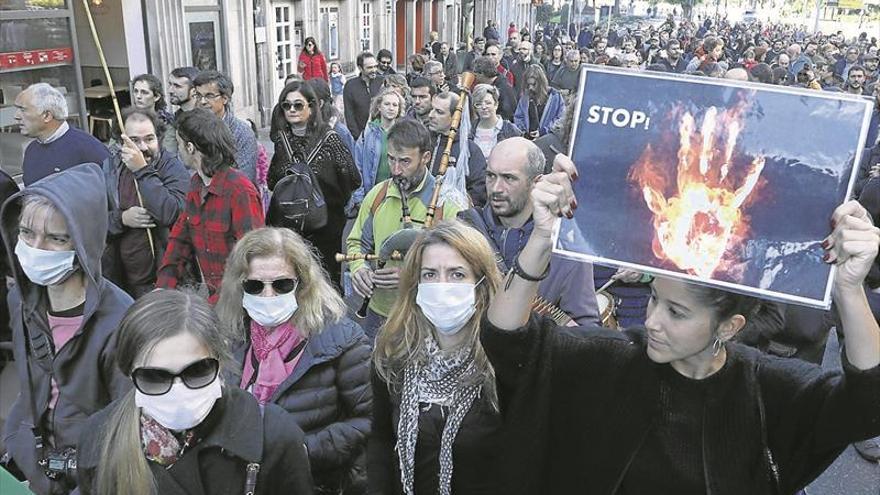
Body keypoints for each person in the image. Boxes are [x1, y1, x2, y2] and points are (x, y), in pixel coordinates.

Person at [482, 156, 880, 494]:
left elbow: (867, 402)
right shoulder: (611, 362)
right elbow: (508, 340)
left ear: (729, 326)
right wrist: (541, 237)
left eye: (677, 312)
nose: (651, 321)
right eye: (655, 298)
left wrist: (849, 288)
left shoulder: (765, 391)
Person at [75, 290, 315, 494]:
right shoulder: (99, 440)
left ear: (219, 363)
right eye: (155, 377)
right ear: (130, 374)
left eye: (197, 371)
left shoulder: (273, 435)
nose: (178, 390)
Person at [0, 164, 133, 494]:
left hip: (91, 473)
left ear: (84, 242)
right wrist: (14, 443)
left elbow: (124, 431)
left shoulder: (121, 320)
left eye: (56, 238)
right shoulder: (20, 299)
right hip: (37, 465)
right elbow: (31, 387)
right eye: (27, 234)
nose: (36, 249)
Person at [216, 227, 372, 494]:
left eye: (281, 284)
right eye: (255, 286)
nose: (268, 296)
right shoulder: (230, 336)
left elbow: (369, 419)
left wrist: (301, 450)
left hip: (314, 481)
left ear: (302, 284)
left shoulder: (342, 340)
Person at [368, 221, 504, 494]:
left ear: (481, 284)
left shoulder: (501, 363)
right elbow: (381, 441)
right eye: (430, 274)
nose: (442, 286)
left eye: (456, 275)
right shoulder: (395, 355)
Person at [458, 138, 598, 326]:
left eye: (509, 178)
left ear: (536, 182)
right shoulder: (464, 230)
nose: (496, 188)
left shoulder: (566, 247)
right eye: (491, 176)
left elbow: (586, 328)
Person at [347, 119, 462, 340]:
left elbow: (462, 265)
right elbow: (356, 243)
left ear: (426, 157)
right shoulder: (378, 195)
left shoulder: (446, 203)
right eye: (391, 159)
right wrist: (359, 268)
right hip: (379, 314)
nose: (396, 170)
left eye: (405, 161)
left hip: (425, 318)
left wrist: (414, 277)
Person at [156, 108, 264, 302]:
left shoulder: (240, 192)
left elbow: (253, 260)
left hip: (241, 305)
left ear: (190, 148)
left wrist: (217, 306)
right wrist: (162, 289)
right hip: (215, 301)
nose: (178, 151)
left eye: (179, 144)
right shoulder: (196, 185)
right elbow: (180, 241)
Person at [268, 81, 361, 292]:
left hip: (325, 228)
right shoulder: (281, 141)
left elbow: (353, 178)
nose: (291, 110)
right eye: (286, 105)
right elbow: (272, 180)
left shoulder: (331, 140)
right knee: (294, 283)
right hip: (290, 229)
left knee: (325, 285)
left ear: (312, 107)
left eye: (298, 105)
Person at [102, 107, 190, 298]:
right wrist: (122, 218)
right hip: (123, 281)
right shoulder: (110, 168)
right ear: (120, 142)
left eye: (149, 139)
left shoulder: (172, 166)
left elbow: (172, 213)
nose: (142, 147)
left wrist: (141, 170)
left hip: (166, 281)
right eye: (134, 140)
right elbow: (95, 224)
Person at [15, 83, 109, 186]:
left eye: (23, 110)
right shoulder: (31, 150)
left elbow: (113, 191)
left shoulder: (89, 149)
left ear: (47, 116)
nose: (16, 116)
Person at [192, 70, 258, 184]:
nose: (202, 101)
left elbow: (245, 179)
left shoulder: (242, 133)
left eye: (209, 96)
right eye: (198, 95)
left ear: (225, 98)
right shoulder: (190, 129)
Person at [352, 89, 407, 215]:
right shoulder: (367, 135)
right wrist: (359, 198)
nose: (391, 108)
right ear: (379, 107)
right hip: (371, 196)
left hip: (396, 197)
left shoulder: (404, 135)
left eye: (395, 105)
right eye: (387, 104)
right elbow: (357, 168)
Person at [428, 92, 488, 208]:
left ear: (456, 117)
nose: (431, 115)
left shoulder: (470, 151)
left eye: (439, 112)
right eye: (432, 109)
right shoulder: (423, 142)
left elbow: (478, 193)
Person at [469, 83, 522, 159]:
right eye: (478, 104)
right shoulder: (469, 130)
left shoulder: (510, 129)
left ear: (496, 105)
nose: (484, 107)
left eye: (488, 103)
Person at [514, 65, 564, 140]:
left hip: (548, 141)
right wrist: (524, 132)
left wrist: (543, 131)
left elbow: (561, 119)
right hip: (529, 141)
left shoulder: (555, 97)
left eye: (533, 84)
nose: (530, 88)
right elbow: (518, 117)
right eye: (528, 85)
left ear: (541, 83)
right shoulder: (525, 97)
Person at [344, 51, 384, 139]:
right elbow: (349, 115)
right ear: (360, 68)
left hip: (382, 135)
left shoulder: (382, 82)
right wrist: (359, 138)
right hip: (361, 136)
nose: (374, 70)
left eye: (375, 66)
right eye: (369, 67)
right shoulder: (350, 86)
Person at [472, 56, 517, 122]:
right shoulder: (499, 83)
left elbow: (507, 114)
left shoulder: (502, 88)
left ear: (482, 73)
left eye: (476, 75)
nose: (475, 78)